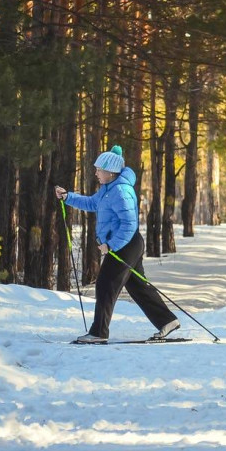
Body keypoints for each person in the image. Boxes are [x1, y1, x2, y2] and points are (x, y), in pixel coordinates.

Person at [55, 145, 179, 344]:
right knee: (138, 286)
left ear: (110, 172)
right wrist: (68, 197)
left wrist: (111, 245)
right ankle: (168, 321)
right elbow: (90, 204)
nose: (96, 173)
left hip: (125, 244)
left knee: (105, 284)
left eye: (99, 169)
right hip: (127, 244)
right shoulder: (107, 189)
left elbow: (129, 223)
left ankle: (98, 332)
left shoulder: (121, 191)